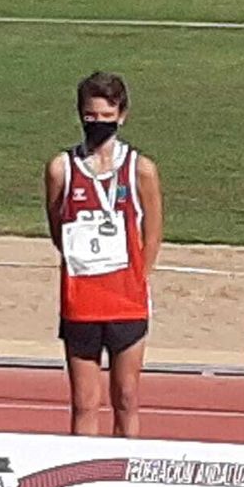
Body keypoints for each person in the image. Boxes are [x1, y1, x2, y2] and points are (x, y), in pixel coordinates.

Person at [45, 72, 162, 437]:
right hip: (81, 302)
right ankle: (86, 469)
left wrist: (136, 277)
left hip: (126, 302)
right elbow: (57, 227)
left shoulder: (140, 169)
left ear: (122, 115)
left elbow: (153, 233)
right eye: (90, 116)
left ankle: (124, 469)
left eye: (107, 116)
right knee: (84, 402)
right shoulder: (61, 168)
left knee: (126, 398)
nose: (98, 123)